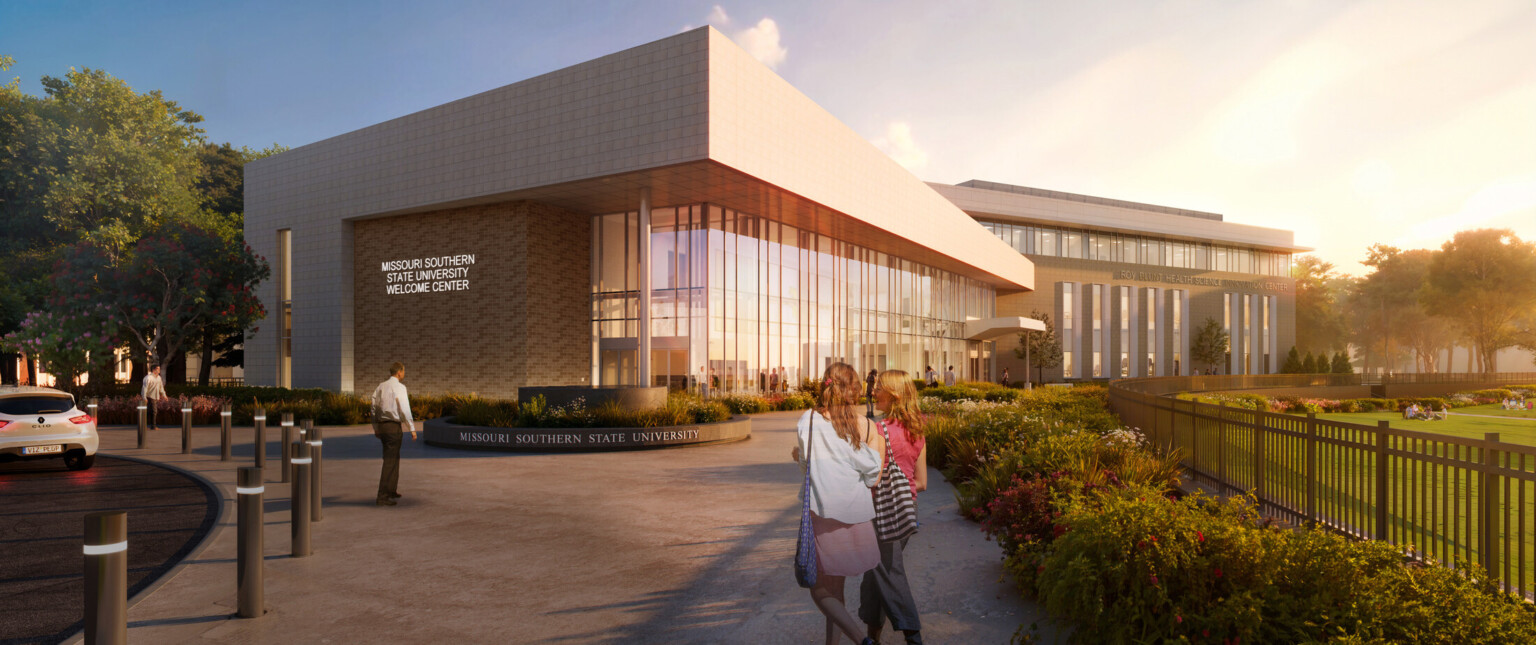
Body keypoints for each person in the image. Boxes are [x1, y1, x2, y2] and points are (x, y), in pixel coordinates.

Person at [790, 363, 884, 645]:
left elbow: (807, 464)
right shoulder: (859, 425)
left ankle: (860, 640)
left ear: (825, 385)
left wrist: (800, 458)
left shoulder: (808, 420)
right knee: (836, 587)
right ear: (851, 389)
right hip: (856, 516)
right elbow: (872, 474)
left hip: (823, 514)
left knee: (819, 590)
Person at [861, 370, 928, 645]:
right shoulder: (917, 430)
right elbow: (922, 482)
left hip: (880, 511)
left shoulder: (877, 430)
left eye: (879, 389)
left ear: (894, 395)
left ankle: (913, 635)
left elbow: (868, 478)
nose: (874, 392)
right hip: (906, 510)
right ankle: (871, 635)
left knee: (887, 571)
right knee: (875, 573)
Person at [370, 362, 417, 507]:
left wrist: (376, 427)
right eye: (404, 372)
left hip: (383, 427)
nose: (404, 374)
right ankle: (382, 496)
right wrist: (412, 428)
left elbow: (373, 407)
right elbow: (404, 408)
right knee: (390, 461)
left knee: (393, 458)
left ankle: (391, 490)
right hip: (393, 427)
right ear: (399, 372)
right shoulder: (399, 387)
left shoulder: (381, 386)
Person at [141, 364, 166, 430]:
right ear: (154, 370)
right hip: (150, 396)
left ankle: (145, 425)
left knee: (150, 411)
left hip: (155, 396)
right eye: (158, 369)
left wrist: (164, 395)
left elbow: (161, 388)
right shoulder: (148, 378)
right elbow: (144, 388)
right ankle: (153, 426)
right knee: (154, 411)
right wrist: (144, 397)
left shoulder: (159, 378)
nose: (159, 370)